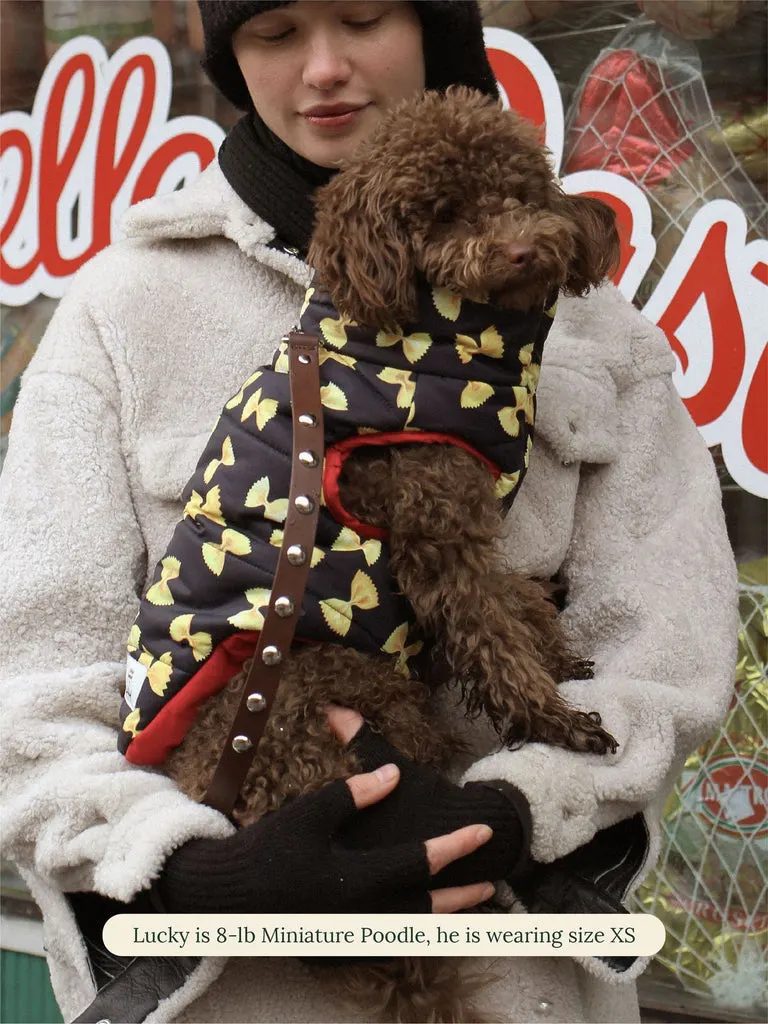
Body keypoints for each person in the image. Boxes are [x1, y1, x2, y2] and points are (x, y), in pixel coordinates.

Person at [0, 2, 738, 1023]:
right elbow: (31, 691)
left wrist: (520, 811)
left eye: (360, 17)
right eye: (274, 34)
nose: (324, 69)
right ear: (229, 58)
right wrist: (187, 880)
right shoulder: (122, 310)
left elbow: (671, 654)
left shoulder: (583, 317)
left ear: (434, 25)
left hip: (520, 980)